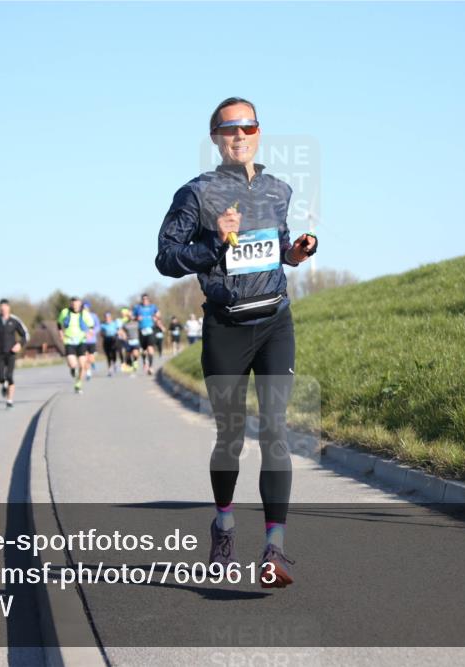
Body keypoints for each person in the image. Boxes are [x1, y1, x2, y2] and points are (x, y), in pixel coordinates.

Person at [155, 97, 318, 588]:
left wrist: (294, 252)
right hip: (225, 327)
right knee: (230, 436)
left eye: (248, 126)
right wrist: (212, 240)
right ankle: (224, 526)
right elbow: (166, 257)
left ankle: (275, 550)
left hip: (274, 323)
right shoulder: (196, 193)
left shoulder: (278, 189)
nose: (240, 135)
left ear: (259, 133)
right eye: (230, 129)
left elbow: (276, 248)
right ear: (215, 138)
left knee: (274, 431)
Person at [0, 299, 29, 409]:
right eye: (1, 308)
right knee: (0, 377)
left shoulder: (15, 320)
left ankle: (9, 400)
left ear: (8, 308)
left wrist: (20, 344)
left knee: (9, 376)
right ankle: (4, 384)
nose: (3, 310)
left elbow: (25, 334)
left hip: (11, 352)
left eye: (5, 308)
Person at [57, 296, 92, 394]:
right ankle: (72, 369)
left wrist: (90, 333)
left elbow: (91, 325)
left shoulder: (84, 313)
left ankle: (78, 384)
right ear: (70, 304)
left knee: (82, 365)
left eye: (77, 304)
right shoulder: (65, 312)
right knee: (73, 364)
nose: (75, 306)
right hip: (69, 340)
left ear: (80, 304)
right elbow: (59, 323)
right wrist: (60, 333)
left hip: (81, 341)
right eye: (73, 304)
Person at [132, 293, 162, 375]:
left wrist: (156, 317)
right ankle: (145, 361)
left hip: (151, 329)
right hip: (141, 330)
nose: (145, 300)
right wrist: (136, 318)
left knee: (150, 348)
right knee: (143, 350)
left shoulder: (153, 307)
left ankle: (151, 367)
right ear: (142, 300)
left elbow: (159, 314)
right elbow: (132, 317)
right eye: (143, 299)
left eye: (146, 299)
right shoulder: (137, 307)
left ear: (149, 300)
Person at [100, 311, 122, 377]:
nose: (107, 318)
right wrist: (103, 334)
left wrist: (118, 333)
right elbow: (101, 333)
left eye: (108, 317)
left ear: (110, 317)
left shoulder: (115, 323)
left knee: (113, 353)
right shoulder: (102, 325)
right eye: (106, 317)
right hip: (106, 340)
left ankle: (114, 363)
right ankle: (110, 370)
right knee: (108, 355)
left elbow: (119, 330)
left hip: (113, 340)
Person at [83, 301, 101, 380]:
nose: (85, 309)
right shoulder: (80, 316)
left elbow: (98, 326)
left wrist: (93, 332)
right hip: (83, 340)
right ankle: (88, 372)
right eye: (84, 308)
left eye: (86, 308)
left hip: (92, 340)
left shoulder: (93, 316)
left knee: (91, 358)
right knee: (85, 358)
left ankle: (93, 363)